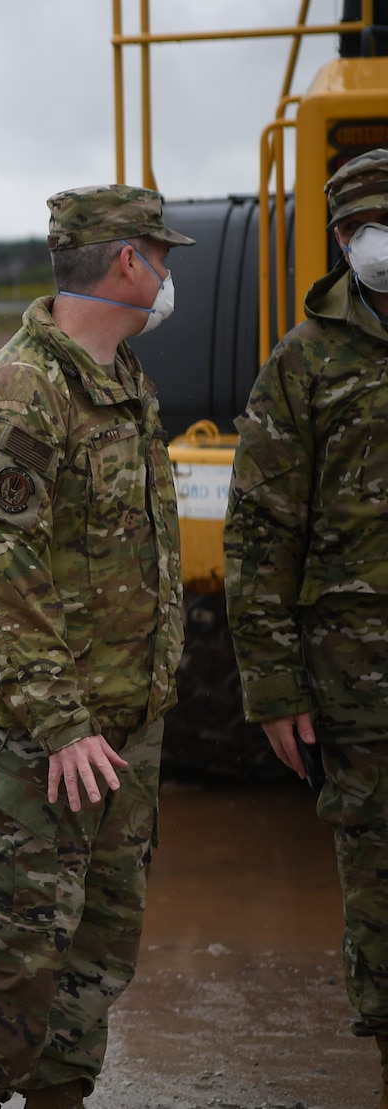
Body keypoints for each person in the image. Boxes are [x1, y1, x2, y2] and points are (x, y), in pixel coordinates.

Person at [0, 185, 189, 1109]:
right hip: (47, 747)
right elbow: (1, 580)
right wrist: (65, 724)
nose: (167, 277)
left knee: (95, 965)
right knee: (17, 971)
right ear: (129, 262)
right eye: (164, 257)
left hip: (122, 736)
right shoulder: (16, 393)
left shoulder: (123, 386)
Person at [226, 146, 388, 1105]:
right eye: (376, 226)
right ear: (344, 241)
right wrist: (276, 692)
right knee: (379, 887)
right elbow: (258, 538)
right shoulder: (304, 363)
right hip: (359, 686)